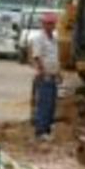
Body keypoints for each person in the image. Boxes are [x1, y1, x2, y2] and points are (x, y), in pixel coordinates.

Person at [31, 12, 60, 142]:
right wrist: (43, 72)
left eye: (52, 23)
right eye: (48, 23)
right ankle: (40, 131)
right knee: (44, 104)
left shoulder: (54, 39)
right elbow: (37, 57)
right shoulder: (39, 39)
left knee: (51, 105)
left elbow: (55, 58)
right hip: (45, 77)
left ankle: (47, 130)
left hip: (53, 75)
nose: (50, 26)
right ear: (43, 24)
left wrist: (58, 72)